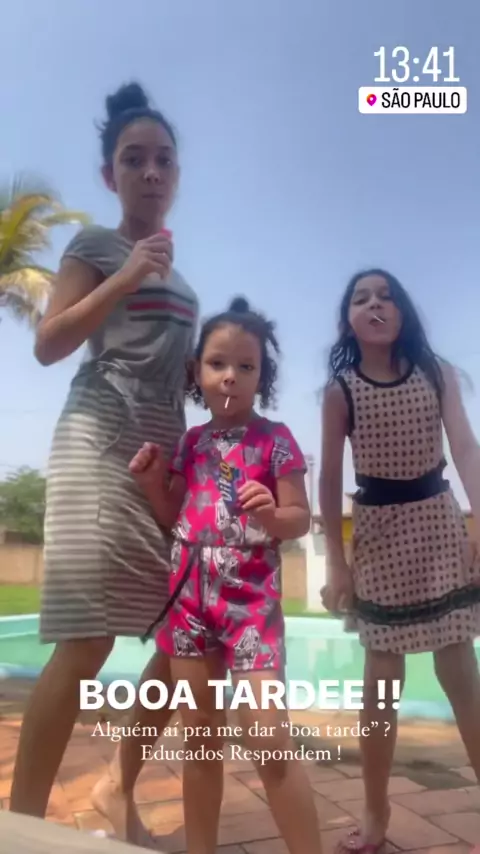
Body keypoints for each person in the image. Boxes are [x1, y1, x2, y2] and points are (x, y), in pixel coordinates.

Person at [9, 81, 199, 847]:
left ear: (176, 173)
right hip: (98, 443)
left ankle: (116, 787)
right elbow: (49, 343)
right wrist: (126, 274)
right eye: (133, 159)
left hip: (164, 458)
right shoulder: (94, 246)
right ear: (109, 175)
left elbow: (176, 371)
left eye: (163, 159)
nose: (150, 172)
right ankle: (20, 828)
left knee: (187, 634)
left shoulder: (185, 283)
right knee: (87, 640)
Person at [129, 296, 323, 854]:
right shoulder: (190, 443)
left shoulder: (276, 439)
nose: (231, 376)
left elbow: (298, 518)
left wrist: (272, 514)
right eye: (218, 363)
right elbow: (173, 513)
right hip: (189, 603)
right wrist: (151, 483)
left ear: (262, 375)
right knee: (201, 744)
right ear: (197, 372)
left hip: (250, 607)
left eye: (246, 365)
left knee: (269, 741)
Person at [319, 269, 480, 854]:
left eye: (386, 296)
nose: (376, 304)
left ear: (403, 311)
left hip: (437, 524)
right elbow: (329, 479)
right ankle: (375, 810)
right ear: (349, 322)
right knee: (380, 686)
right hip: (378, 534)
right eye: (361, 298)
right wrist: (336, 564)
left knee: (460, 673)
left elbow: (464, 446)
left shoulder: (437, 373)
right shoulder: (340, 391)